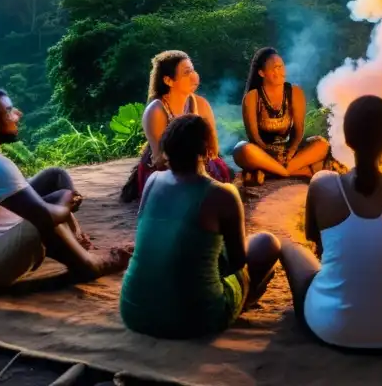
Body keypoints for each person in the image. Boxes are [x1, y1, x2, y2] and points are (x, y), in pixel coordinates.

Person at [0, 88, 131, 301]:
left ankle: (76, 242)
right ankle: (89, 265)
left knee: (54, 177)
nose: (18, 114)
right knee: (47, 212)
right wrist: (68, 198)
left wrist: (63, 198)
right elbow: (45, 216)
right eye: (10, 111)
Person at [279, 95, 382, 351]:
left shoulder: (321, 183)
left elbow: (315, 242)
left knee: (288, 248)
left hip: (327, 326)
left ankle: (333, 297)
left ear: (348, 139)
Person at [120, 114, 281, 339]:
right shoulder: (222, 193)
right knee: (266, 243)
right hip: (197, 319)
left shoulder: (153, 180)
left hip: (134, 311)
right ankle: (241, 300)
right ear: (207, 150)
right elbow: (237, 262)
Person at [134, 50, 232, 198]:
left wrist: (200, 164)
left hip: (198, 162)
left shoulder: (201, 104)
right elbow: (160, 159)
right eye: (186, 73)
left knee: (219, 170)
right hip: (167, 167)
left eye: (193, 70)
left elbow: (213, 148)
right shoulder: (156, 110)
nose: (194, 76)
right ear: (168, 80)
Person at [233, 47, 332, 184]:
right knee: (242, 150)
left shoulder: (295, 92)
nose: (280, 71)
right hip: (263, 153)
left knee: (321, 144)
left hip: (288, 152)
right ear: (262, 73)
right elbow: (254, 137)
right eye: (275, 67)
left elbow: (298, 130)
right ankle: (294, 171)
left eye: (281, 66)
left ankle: (268, 173)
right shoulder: (252, 97)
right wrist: (269, 152)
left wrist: (291, 150)